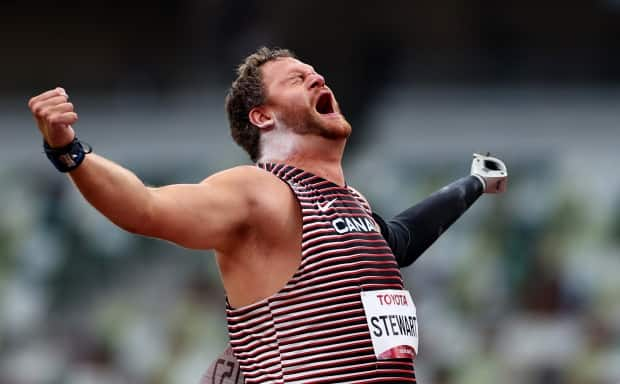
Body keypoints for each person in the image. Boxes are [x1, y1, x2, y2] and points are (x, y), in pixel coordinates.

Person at [29, 47, 507, 383]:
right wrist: (68, 151)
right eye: (298, 79)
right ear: (262, 116)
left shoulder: (351, 204)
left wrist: (474, 183)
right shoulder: (260, 192)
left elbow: (398, 240)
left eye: (317, 73)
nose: (319, 79)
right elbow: (146, 208)